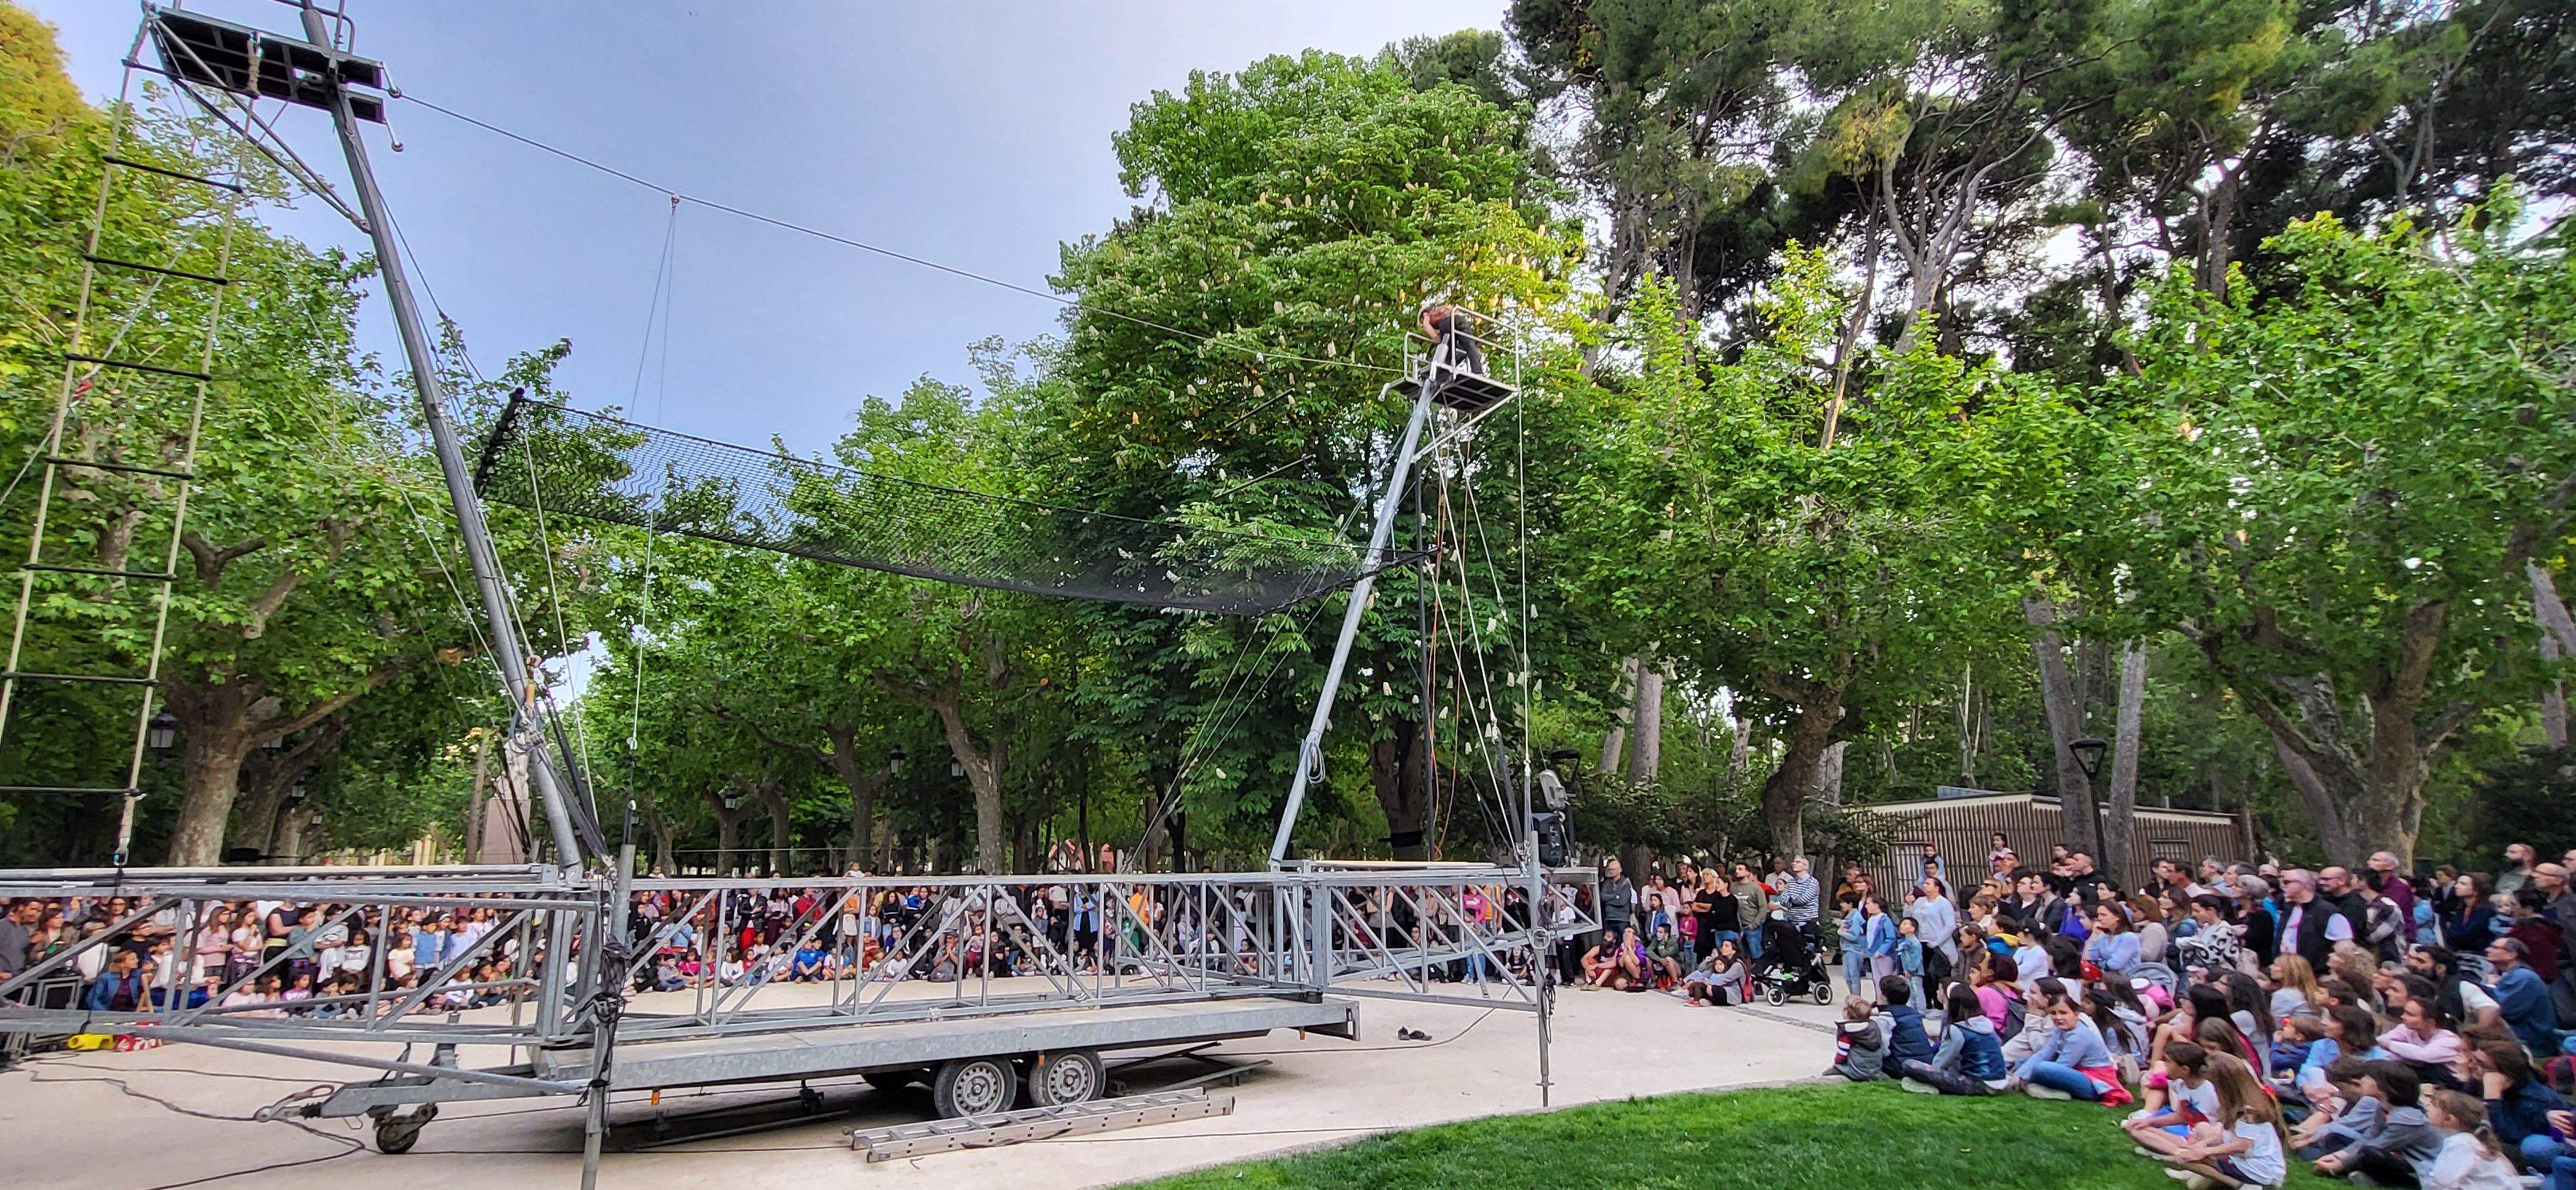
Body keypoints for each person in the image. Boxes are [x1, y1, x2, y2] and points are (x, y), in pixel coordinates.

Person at [2162, 1052, 2291, 1189]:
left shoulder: (2249, 1111)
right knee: (2184, 1157)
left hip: (2259, 1169)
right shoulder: (2234, 1105)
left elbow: (2244, 1144)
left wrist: (2205, 1152)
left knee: (2185, 1158)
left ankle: (2239, 1185)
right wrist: (2202, 1145)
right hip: (2245, 1161)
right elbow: (2225, 1136)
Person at [2313, 1060, 2441, 1186]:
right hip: (2396, 1155)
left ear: (2383, 1087)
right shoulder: (2382, 1107)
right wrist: (2338, 1156)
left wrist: (2341, 1164)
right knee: (2338, 1140)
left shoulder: (2407, 1118)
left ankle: (2398, 1183)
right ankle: (2359, 1173)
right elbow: (2369, 1137)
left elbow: (2379, 1146)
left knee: (2370, 1154)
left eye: (2368, 1077)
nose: (2362, 1080)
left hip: (2419, 1168)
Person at [2015, 995, 2133, 1104]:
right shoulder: (2060, 1031)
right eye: (2053, 1013)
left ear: (2076, 1014)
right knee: (2022, 1063)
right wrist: (2018, 1075)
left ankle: (2040, 1087)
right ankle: (2031, 1084)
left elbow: (2063, 1065)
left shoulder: (2079, 1035)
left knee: (2042, 1068)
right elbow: (2044, 1053)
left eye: (2063, 1013)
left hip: (2094, 1083)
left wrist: (2026, 1074)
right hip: (2076, 1072)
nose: (2058, 1018)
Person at [1898, 981, 2011, 1096]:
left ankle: (1927, 1087)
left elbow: (1939, 1064)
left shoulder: (1957, 1030)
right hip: (1997, 1081)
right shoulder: (1986, 1024)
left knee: (1909, 1064)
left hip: (1977, 1083)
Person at [2422, 1089, 2523, 1190]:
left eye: (2432, 1106)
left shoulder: (2461, 1143)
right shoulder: (2471, 1140)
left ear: (2449, 1119)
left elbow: (2442, 1180)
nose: (2427, 1108)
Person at [2481, 937, 2559, 1052]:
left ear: (2512, 955)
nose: (2488, 950)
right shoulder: (2508, 975)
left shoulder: (2523, 977)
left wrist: (2490, 986)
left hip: (2532, 1043)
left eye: (2495, 948)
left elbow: (2499, 1008)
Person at [1417, 301, 1486, 376]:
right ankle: (1478, 371)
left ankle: (1444, 373)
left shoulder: (1426, 315)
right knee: (1469, 345)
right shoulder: (1442, 309)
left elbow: (1426, 325)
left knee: (1446, 350)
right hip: (1459, 318)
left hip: (1447, 321)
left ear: (1423, 315)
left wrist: (1436, 338)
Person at [1829, 995, 1887, 1081]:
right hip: (1875, 1069)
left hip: (1857, 1071)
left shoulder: (1849, 1032)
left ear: (1847, 1013)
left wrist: (1836, 1065)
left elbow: (1841, 1056)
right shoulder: (1873, 1027)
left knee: (1827, 1073)